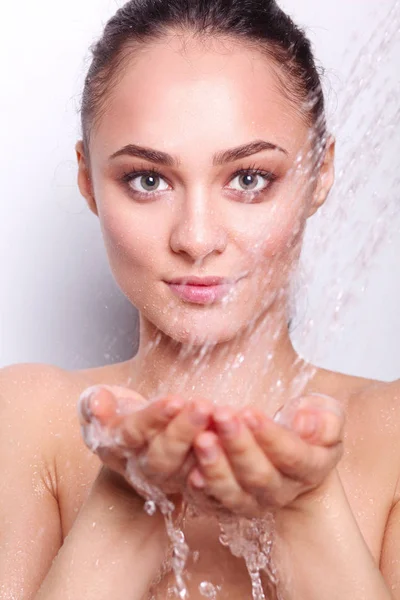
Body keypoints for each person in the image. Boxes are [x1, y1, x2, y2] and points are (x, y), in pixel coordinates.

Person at [0, 0, 399, 598]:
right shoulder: (26, 421)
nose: (196, 239)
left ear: (320, 172)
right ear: (87, 179)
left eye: (247, 179)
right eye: (148, 179)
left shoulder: (391, 434)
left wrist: (308, 509)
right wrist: (126, 506)